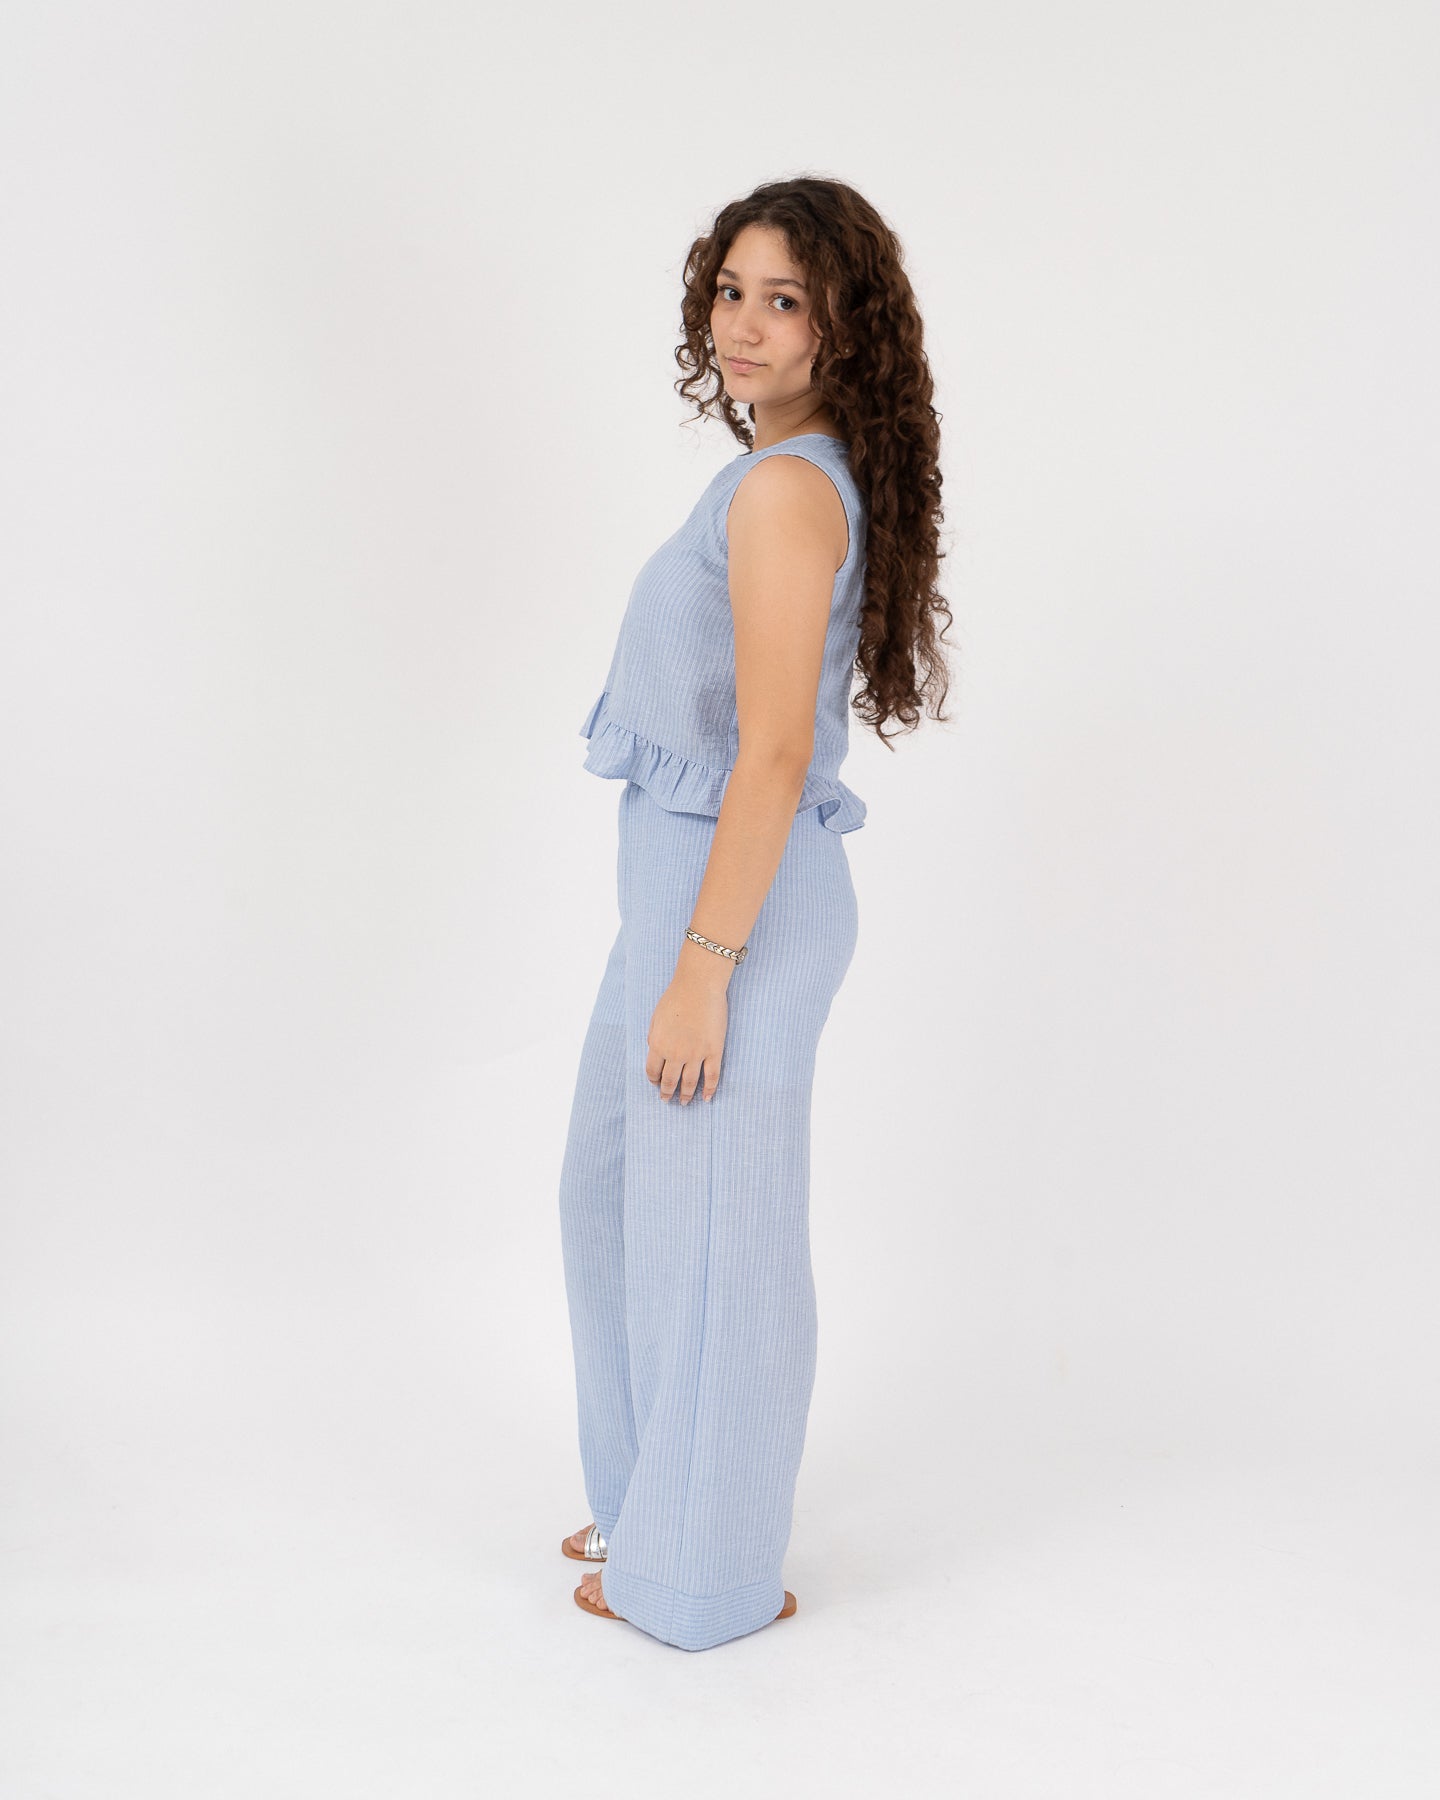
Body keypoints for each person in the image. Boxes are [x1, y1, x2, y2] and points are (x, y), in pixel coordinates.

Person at [557, 176, 952, 1650]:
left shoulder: (786, 492)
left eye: (784, 300)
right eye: (732, 290)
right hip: (680, 896)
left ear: (845, 326)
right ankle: (651, 1497)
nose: (744, 323)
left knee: (719, 1238)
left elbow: (775, 751)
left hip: (733, 909)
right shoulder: (778, 472)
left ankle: (704, 1577)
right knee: (612, 1197)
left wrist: (704, 969)